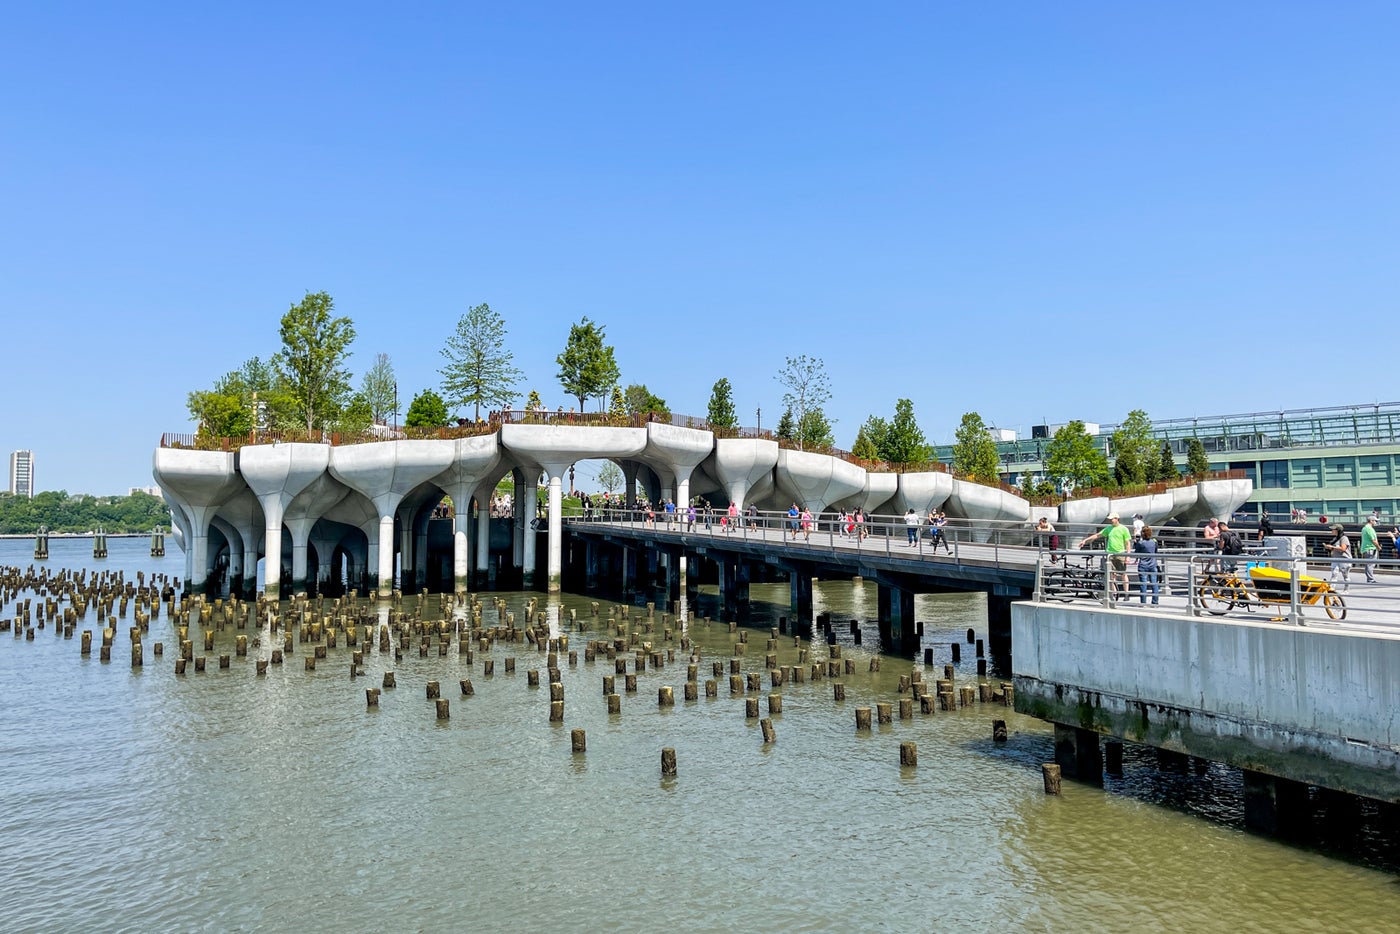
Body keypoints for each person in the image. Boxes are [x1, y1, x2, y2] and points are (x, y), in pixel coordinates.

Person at [1079, 512, 1132, 600]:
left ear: (1117, 519)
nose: (1111, 521)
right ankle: (1114, 594)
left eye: (1112, 519)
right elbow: (1097, 535)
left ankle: (1126, 594)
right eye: (1110, 519)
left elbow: (1127, 543)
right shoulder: (1108, 528)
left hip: (1120, 553)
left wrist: (1128, 555)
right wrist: (1085, 541)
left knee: (1123, 574)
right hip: (1109, 554)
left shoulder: (1124, 529)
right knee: (1111, 575)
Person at [1133, 526, 1160, 605]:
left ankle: (1143, 602)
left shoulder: (1141, 543)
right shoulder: (1154, 542)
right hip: (1153, 564)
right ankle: (1155, 602)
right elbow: (1156, 552)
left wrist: (1136, 543)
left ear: (1142, 534)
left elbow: (1136, 553)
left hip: (1143, 565)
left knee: (1143, 584)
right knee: (1154, 583)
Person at [1323, 523, 1352, 593]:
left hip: (1344, 559)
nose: (1332, 530)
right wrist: (1329, 548)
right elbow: (1335, 548)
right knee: (1334, 574)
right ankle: (1332, 590)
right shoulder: (1335, 539)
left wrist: (1332, 547)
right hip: (1335, 559)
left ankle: (1346, 590)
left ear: (1338, 530)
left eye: (1333, 529)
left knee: (1345, 575)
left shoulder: (1344, 538)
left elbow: (1343, 548)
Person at [1360, 515, 1381, 582]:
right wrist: (1378, 547)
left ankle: (1369, 578)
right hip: (1370, 549)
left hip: (1366, 549)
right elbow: (1373, 540)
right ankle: (1370, 579)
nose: (1376, 522)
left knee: (1368, 565)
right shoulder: (1369, 529)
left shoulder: (1364, 528)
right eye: (1375, 521)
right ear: (1371, 521)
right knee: (1370, 565)